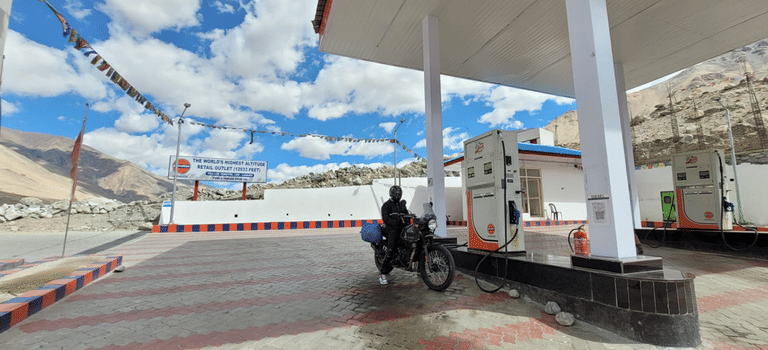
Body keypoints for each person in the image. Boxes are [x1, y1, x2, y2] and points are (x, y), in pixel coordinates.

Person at [378, 185, 409, 285]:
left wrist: (409, 221)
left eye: (399, 194)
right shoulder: (386, 205)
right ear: (391, 194)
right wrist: (396, 223)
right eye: (396, 194)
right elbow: (385, 219)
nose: (398, 195)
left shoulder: (401, 205)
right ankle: (382, 273)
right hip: (391, 229)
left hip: (401, 228)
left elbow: (407, 214)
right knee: (391, 249)